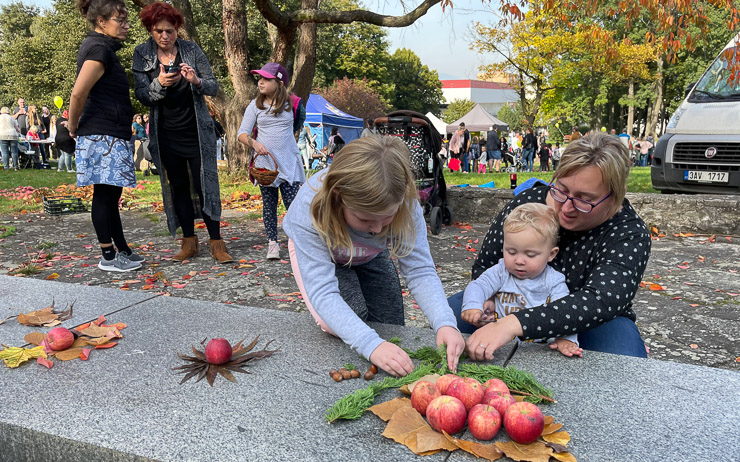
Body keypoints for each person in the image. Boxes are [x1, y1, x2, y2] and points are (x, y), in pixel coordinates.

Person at [449, 132, 651, 360]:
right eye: (561, 190)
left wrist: (513, 324)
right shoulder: (527, 205)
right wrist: (487, 299)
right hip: (509, 297)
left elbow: (601, 301)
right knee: (450, 322)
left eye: (584, 200)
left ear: (613, 199)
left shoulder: (628, 234)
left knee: (623, 360)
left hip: (592, 320)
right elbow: (486, 263)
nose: (566, 207)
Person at [283, 135, 464, 376]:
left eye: (387, 218)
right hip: (326, 251)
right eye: (365, 219)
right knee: (343, 321)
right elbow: (323, 293)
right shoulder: (309, 210)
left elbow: (419, 270)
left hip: (370, 255)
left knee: (390, 326)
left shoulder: (405, 203)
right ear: (338, 198)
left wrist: (445, 323)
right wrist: (371, 345)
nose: (378, 229)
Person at [133, 2, 232, 264]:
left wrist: (196, 81)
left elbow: (212, 85)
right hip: (166, 135)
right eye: (159, 31)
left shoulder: (191, 50)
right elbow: (141, 94)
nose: (165, 36)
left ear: (177, 29)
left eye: (170, 30)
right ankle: (189, 243)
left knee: (206, 186)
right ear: (150, 30)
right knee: (178, 188)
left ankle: (216, 243)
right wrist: (159, 84)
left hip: (197, 133)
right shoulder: (142, 54)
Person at [68, 0, 142, 272]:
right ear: (101, 22)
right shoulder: (98, 48)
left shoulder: (103, 48)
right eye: (119, 20)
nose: (126, 25)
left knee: (111, 194)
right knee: (104, 195)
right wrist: (72, 127)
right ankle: (108, 256)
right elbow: (78, 92)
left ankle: (121, 248)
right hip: (101, 134)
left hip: (109, 133)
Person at [461, 203, 581, 357]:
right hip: (499, 346)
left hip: (537, 350)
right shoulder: (501, 271)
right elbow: (478, 286)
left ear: (551, 254)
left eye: (530, 255)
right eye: (511, 251)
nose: (519, 260)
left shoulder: (554, 281)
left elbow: (564, 313)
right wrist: (472, 306)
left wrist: (564, 339)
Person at [237, 62, 306, 260]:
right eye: (260, 78)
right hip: (266, 166)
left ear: (280, 82)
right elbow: (241, 133)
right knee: (269, 206)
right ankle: (272, 243)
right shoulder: (255, 105)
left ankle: (297, 242)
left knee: (293, 205)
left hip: (289, 164)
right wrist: (254, 144)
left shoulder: (292, 104)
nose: (261, 82)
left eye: (266, 79)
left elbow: (297, 125)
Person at [0, 106, 21, 170]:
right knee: (14, 152)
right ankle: (15, 167)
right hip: (13, 135)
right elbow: (17, 129)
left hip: (3, 135)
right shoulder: (12, 118)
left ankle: (6, 167)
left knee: (5, 152)